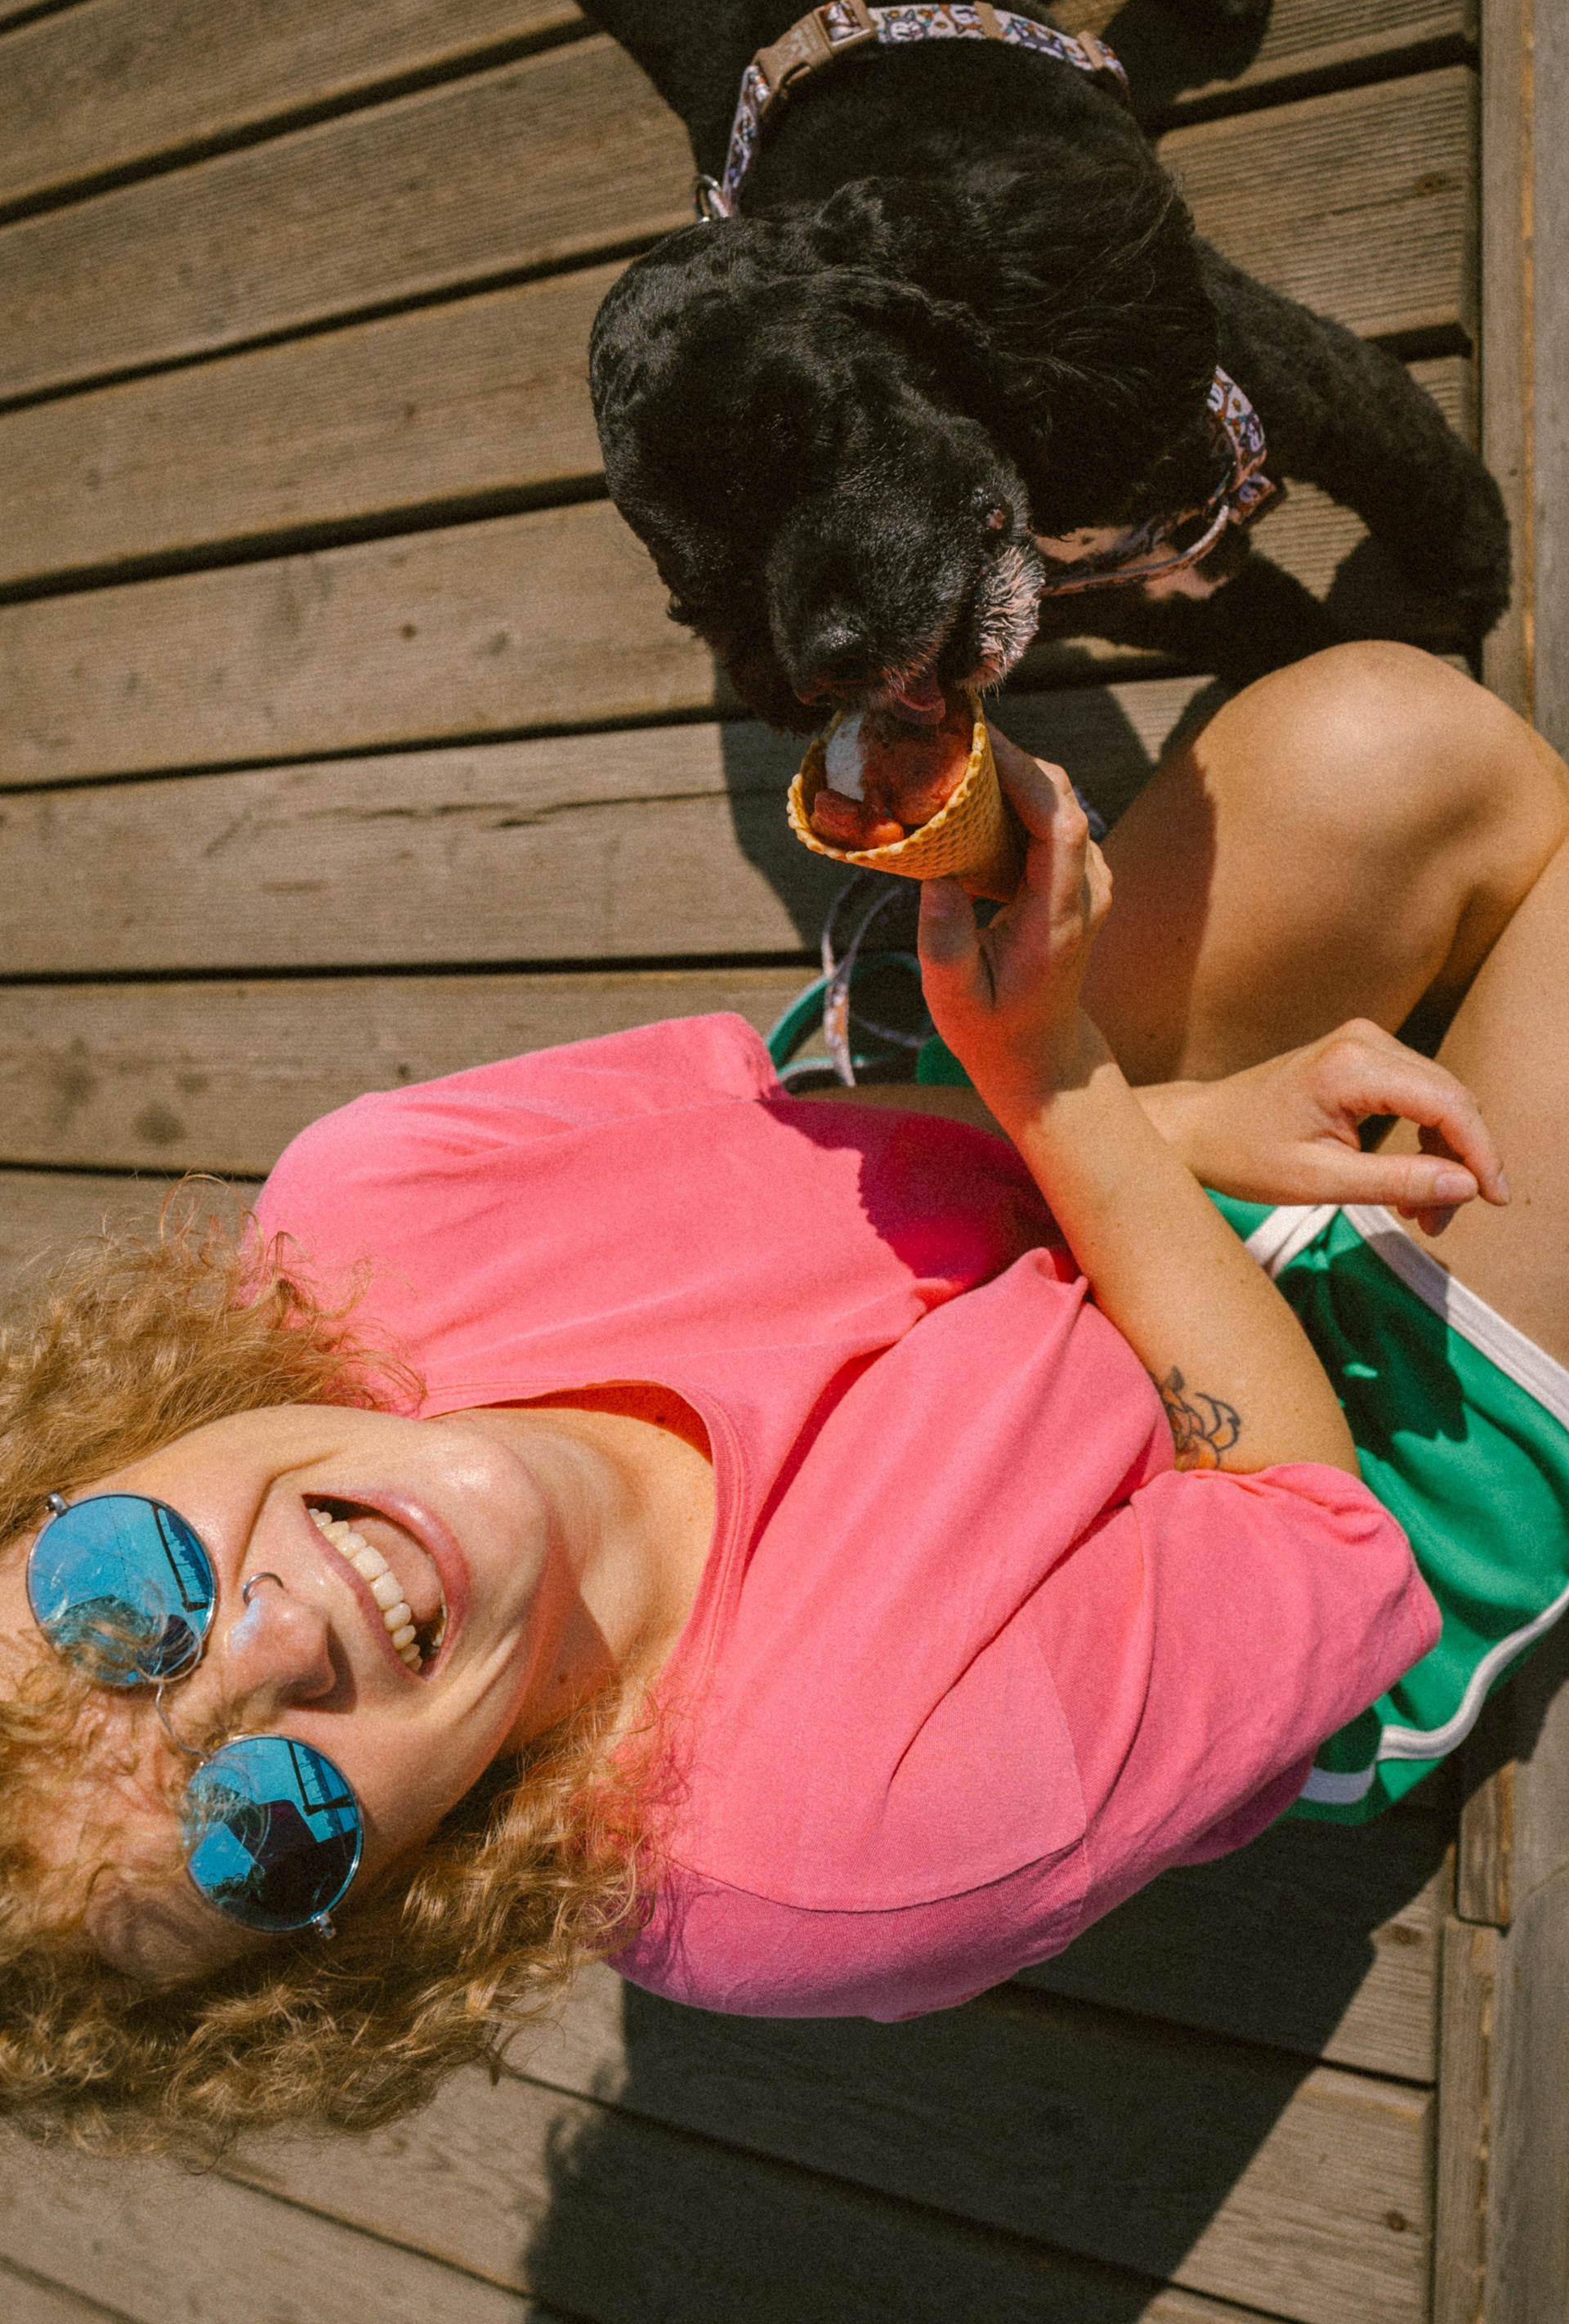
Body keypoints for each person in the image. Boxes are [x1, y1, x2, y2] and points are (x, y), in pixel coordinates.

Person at [1, 642, 1567, 2152]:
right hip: (1315, 1494)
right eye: (259, 1829)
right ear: (381, 1910)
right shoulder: (828, 1856)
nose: (281, 1644)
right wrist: (1072, 1088)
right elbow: (1307, 1522)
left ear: (87, 1458)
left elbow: (847, 1136)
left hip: (1050, 1173)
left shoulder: (367, 1203)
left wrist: (1170, 1123)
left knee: (1383, 739)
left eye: (113, 1604)